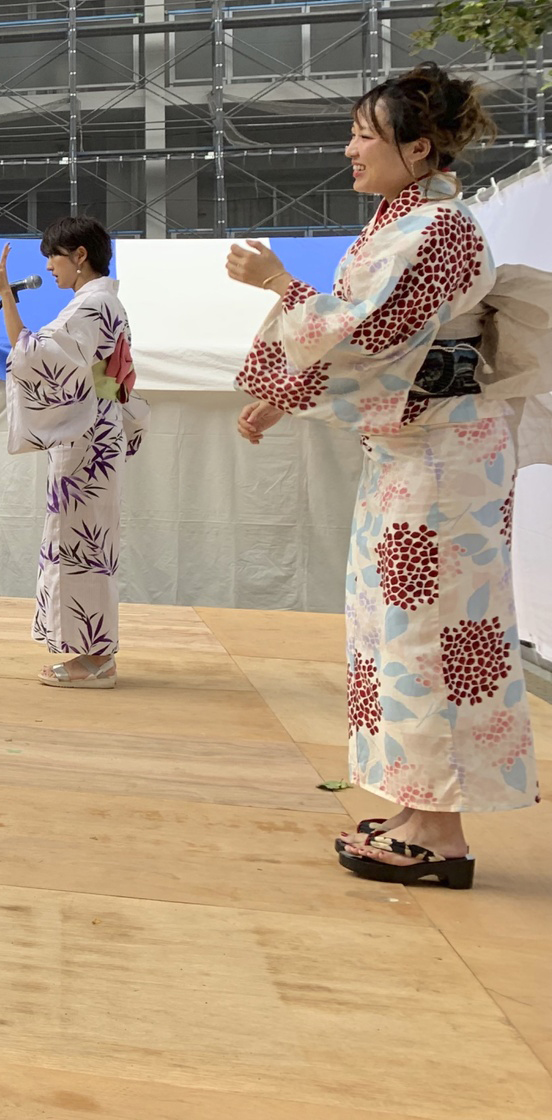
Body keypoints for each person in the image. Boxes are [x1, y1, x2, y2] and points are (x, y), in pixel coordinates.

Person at [228, 65, 539, 888]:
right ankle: (417, 805)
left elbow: (367, 336)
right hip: (419, 452)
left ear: (419, 148)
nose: (350, 148)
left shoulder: (436, 228)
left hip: (443, 459)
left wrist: (279, 284)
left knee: (430, 634)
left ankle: (440, 834)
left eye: (365, 134)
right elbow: (373, 342)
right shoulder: (411, 223)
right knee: (395, 633)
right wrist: (278, 398)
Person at [0, 217, 149, 689]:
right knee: (85, 547)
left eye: (54, 257)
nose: (49, 267)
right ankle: (93, 655)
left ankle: (96, 661)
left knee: (82, 548)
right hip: (95, 432)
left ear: (80, 255)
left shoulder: (93, 303)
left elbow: (33, 355)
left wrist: (7, 296)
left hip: (87, 440)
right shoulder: (102, 302)